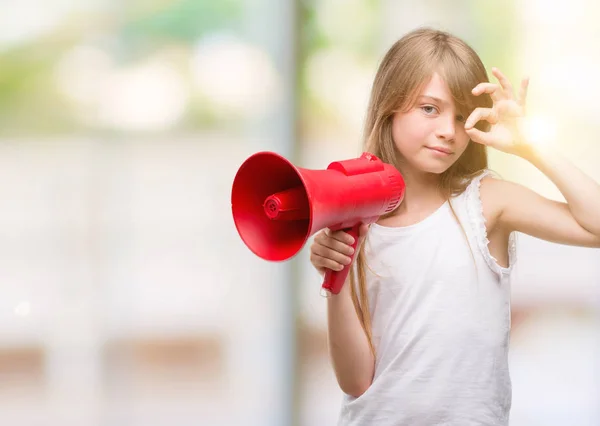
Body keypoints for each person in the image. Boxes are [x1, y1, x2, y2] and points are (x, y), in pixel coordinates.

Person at [309, 27, 600, 425]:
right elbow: (357, 381)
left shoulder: (486, 202)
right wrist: (336, 280)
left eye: (462, 115)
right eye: (430, 108)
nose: (449, 130)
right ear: (389, 106)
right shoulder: (358, 220)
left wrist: (531, 146)